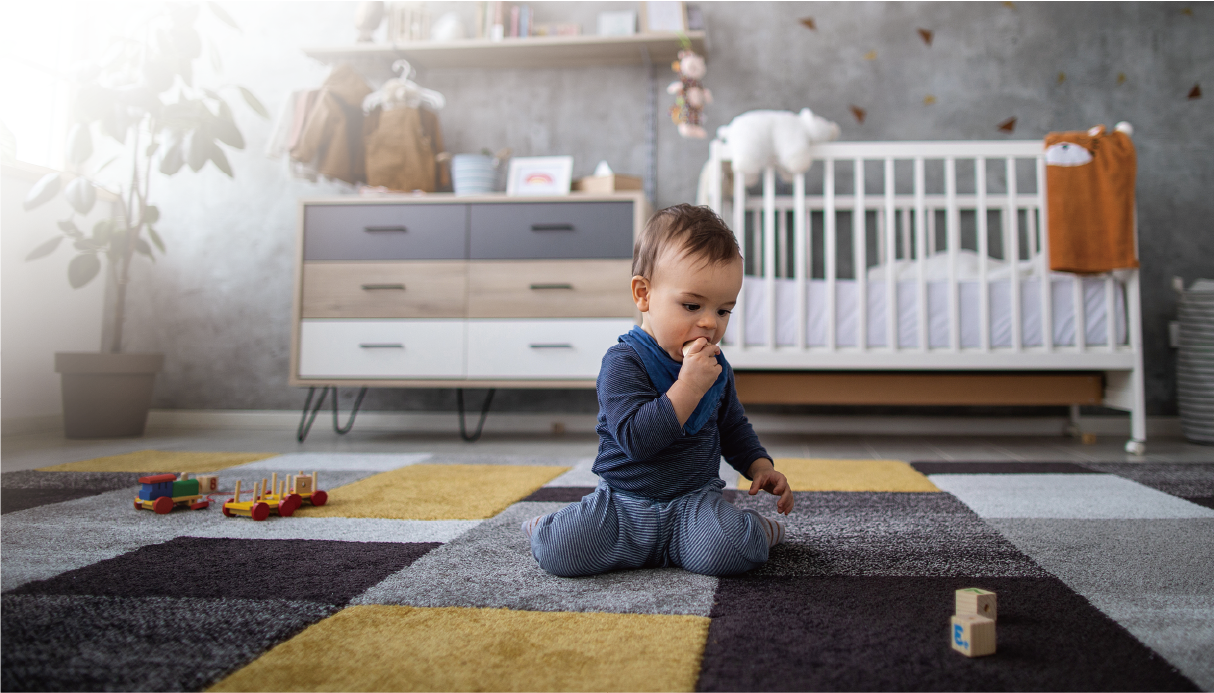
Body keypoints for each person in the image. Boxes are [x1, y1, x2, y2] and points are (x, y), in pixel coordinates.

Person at [522, 203, 793, 577]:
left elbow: (732, 426)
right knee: (561, 553)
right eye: (692, 304)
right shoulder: (622, 362)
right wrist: (687, 386)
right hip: (622, 504)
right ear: (643, 294)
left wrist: (760, 466)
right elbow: (637, 440)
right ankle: (546, 528)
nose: (709, 323)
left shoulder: (715, 367)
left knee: (730, 553)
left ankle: (756, 530)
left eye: (723, 310)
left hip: (692, 505)